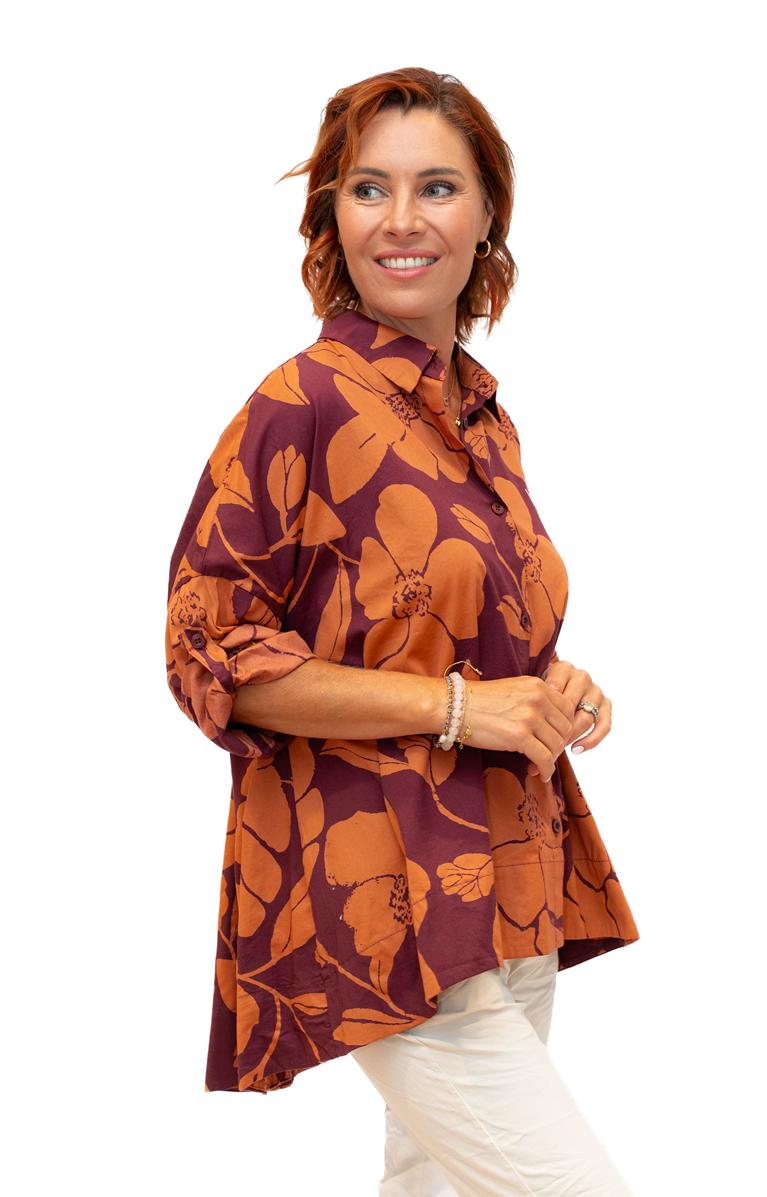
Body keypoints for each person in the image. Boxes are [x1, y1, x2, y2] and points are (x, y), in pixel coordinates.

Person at [165, 66, 640, 1196]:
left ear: (487, 219)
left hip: (508, 880)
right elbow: (211, 650)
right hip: (386, 885)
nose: (403, 220)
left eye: (437, 187)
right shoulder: (302, 402)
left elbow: (453, 634)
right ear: (333, 216)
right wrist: (466, 707)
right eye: (370, 188)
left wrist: (552, 686)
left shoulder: (482, 418)